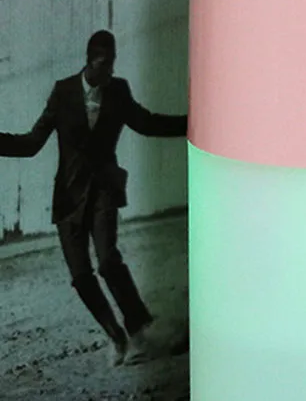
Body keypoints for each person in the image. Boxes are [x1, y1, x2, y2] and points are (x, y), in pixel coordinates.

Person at [0, 30, 187, 366]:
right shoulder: (63, 92)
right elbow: (31, 144)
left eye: (113, 63)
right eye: (105, 63)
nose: (110, 70)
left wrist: (194, 124)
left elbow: (146, 123)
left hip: (104, 190)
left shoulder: (118, 91)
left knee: (108, 261)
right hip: (68, 197)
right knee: (81, 276)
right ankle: (117, 337)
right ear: (91, 61)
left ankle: (139, 330)